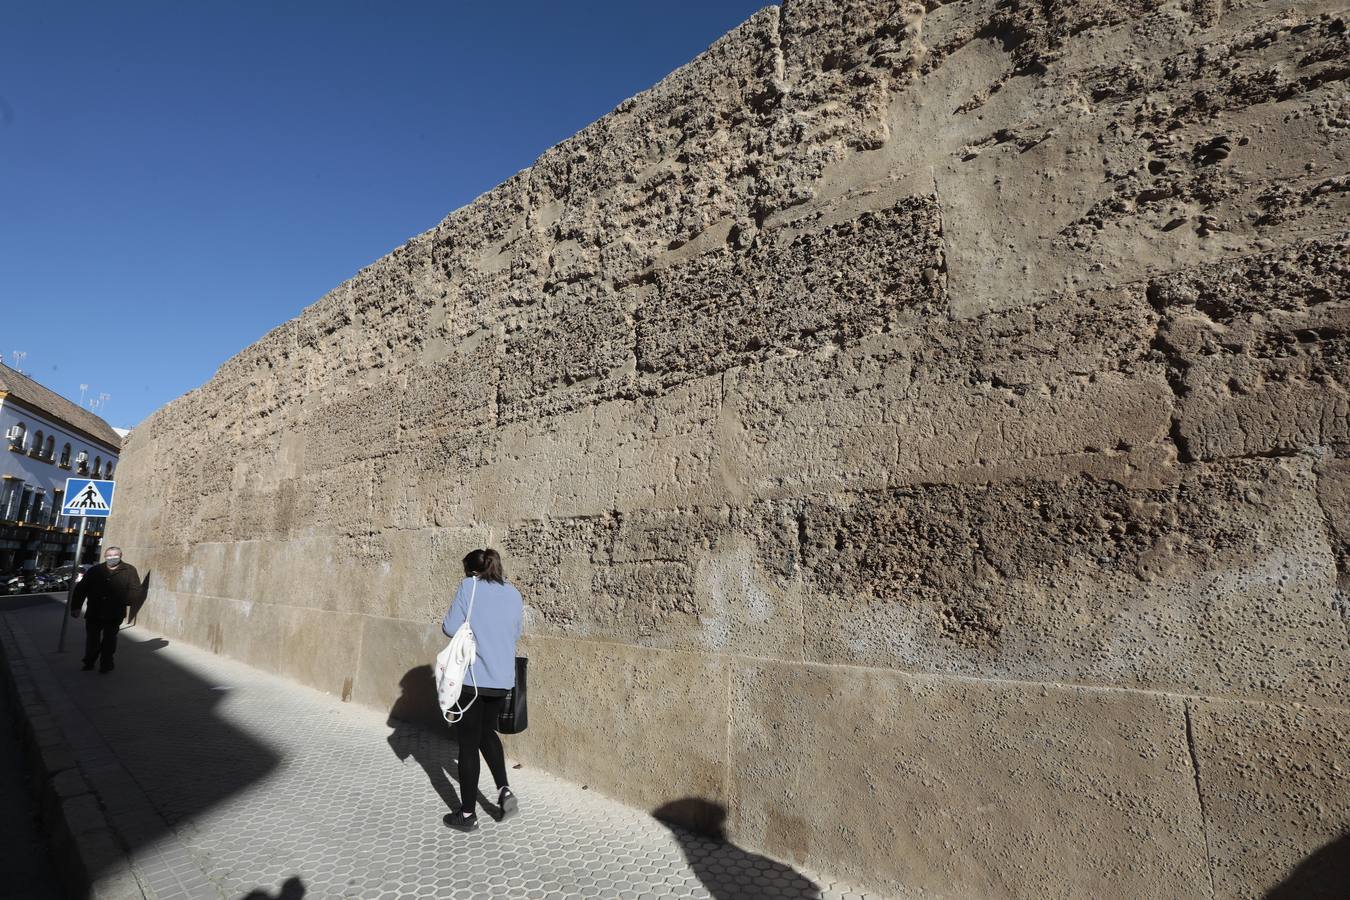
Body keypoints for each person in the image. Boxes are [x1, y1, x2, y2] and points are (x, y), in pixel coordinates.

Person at [440, 547, 523, 832]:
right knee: (487, 734)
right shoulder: (514, 594)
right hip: (502, 681)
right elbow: (514, 633)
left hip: (473, 682)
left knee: (468, 745)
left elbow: (450, 627)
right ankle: (504, 790)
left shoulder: (469, 587)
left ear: (473, 571)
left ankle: (467, 815)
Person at [70, 547, 145, 674]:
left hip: (115, 612)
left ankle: (106, 663)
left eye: (115, 555)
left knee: (109, 640)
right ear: (105, 556)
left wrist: (125, 601)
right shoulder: (95, 570)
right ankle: (89, 661)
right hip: (95, 611)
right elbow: (81, 589)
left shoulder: (129, 570)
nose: (112, 557)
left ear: (121, 555)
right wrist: (76, 607)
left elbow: (135, 589)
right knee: (92, 640)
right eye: (109, 555)